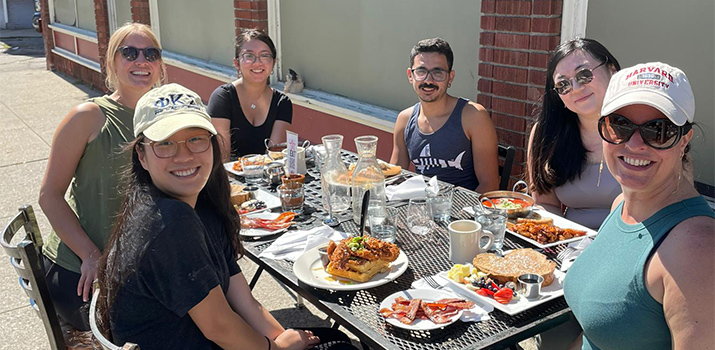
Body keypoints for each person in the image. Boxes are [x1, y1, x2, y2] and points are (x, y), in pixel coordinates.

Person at [97, 84, 358, 350]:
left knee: (330, 341)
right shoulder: (167, 221)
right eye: (165, 144)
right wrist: (277, 349)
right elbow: (219, 326)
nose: (184, 155)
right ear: (141, 155)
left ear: (212, 144)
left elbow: (243, 300)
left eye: (196, 139)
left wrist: (282, 339)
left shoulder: (202, 208)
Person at [564, 62, 715, 350]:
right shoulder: (621, 205)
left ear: (684, 140)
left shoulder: (699, 251)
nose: (634, 144)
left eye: (658, 131)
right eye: (620, 125)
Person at [38, 22, 165, 331]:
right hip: (82, 270)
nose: (141, 61)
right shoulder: (88, 116)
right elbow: (49, 196)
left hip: (139, 269)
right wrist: (91, 256)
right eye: (130, 53)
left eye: (151, 53)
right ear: (111, 62)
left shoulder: (166, 119)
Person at [527, 38, 622, 230]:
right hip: (571, 247)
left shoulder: (647, 129)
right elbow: (546, 204)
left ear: (612, 70)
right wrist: (564, 243)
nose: (576, 89)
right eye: (563, 85)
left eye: (584, 75)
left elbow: (674, 204)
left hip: (636, 246)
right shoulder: (547, 134)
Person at [390, 37, 499, 193]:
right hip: (420, 210)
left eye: (437, 72)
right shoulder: (405, 120)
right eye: (421, 71)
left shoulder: (473, 116)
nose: (428, 80)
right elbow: (394, 178)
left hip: (465, 213)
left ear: (450, 77)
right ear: (410, 75)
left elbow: (490, 185)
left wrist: (462, 214)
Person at [208, 28, 292, 160]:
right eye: (249, 56)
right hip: (229, 176)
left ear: (273, 63)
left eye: (264, 55)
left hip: (267, 175)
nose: (257, 62)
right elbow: (222, 158)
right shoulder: (222, 98)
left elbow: (274, 156)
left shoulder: (282, 103)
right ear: (237, 63)